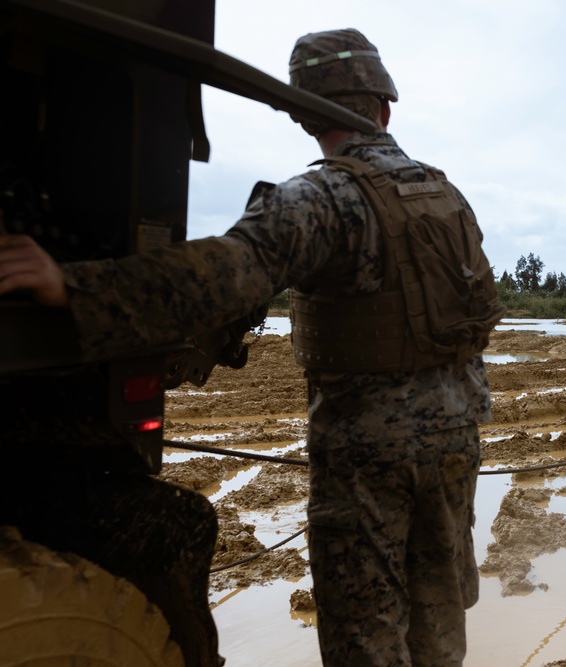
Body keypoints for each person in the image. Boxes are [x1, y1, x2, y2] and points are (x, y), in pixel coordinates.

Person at [0, 27, 503, 667]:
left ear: (302, 114)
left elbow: (220, 276)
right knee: (436, 617)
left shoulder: (321, 197)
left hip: (368, 450)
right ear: (384, 105)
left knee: (366, 634)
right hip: (457, 436)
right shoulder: (445, 195)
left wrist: (71, 284)